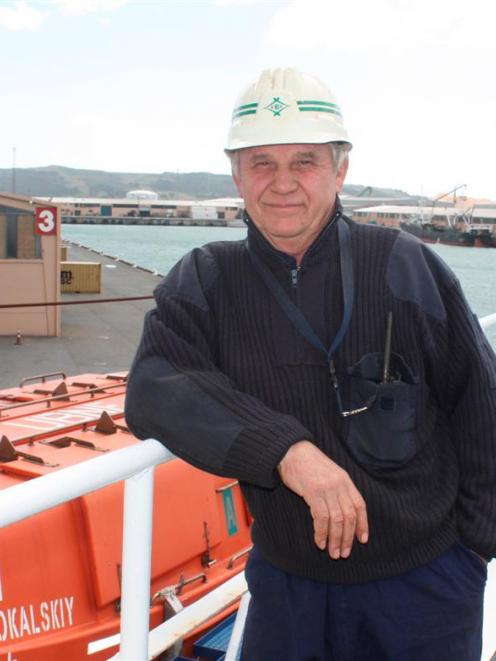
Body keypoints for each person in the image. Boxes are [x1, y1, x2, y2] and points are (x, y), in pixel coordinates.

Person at [125, 68, 496, 660]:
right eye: (261, 163)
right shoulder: (207, 279)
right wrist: (287, 452)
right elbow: (156, 386)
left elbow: (480, 402)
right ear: (236, 174)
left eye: (305, 161)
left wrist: (472, 554)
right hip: (289, 588)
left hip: (424, 587)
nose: (282, 184)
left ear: (340, 169)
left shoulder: (405, 266)